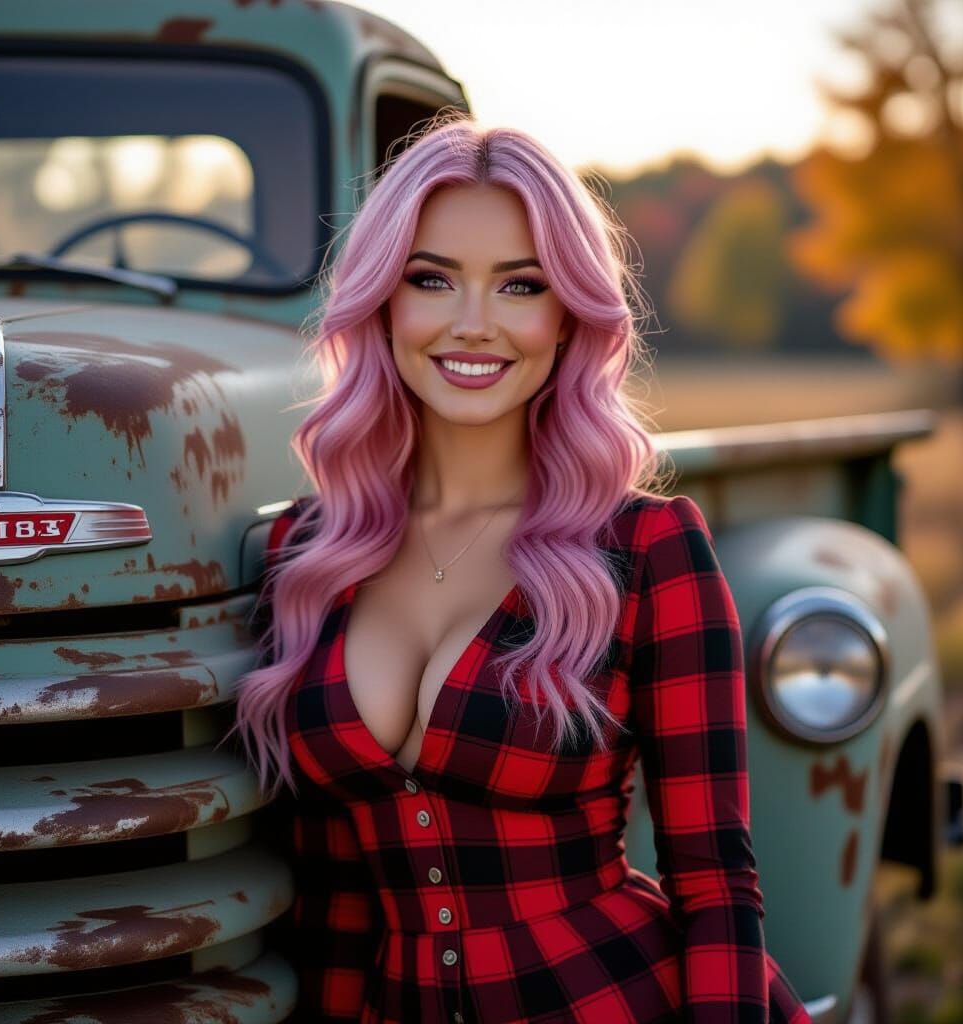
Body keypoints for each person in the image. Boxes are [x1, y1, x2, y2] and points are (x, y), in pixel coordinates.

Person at [231, 114, 814, 1024]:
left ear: (566, 313)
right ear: (383, 301)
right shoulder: (301, 559)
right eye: (432, 279)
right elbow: (333, 905)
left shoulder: (645, 549)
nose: (473, 325)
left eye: (520, 285)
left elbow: (715, 881)